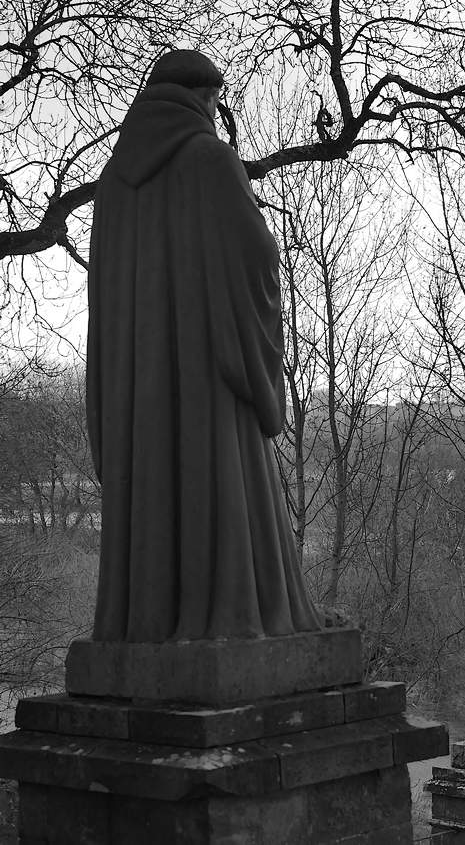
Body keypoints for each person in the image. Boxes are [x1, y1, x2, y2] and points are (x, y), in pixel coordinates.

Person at [86, 50, 320, 642]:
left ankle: (144, 627)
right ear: (202, 99)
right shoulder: (211, 160)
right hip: (205, 382)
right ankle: (239, 621)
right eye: (216, 102)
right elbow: (258, 258)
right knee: (220, 483)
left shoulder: (112, 184)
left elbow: (106, 297)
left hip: (139, 394)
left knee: (154, 489)